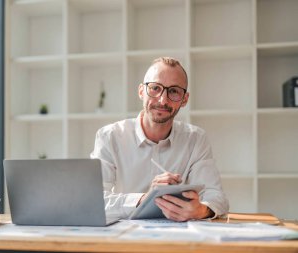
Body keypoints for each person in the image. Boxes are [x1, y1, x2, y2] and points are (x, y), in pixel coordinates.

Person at [90, 57, 229, 221]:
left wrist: (201, 211)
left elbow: (216, 196)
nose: (163, 100)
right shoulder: (110, 137)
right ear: (141, 91)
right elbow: (94, 201)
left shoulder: (196, 139)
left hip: (177, 240)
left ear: (184, 99)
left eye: (174, 91)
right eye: (155, 88)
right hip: (125, 240)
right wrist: (145, 199)